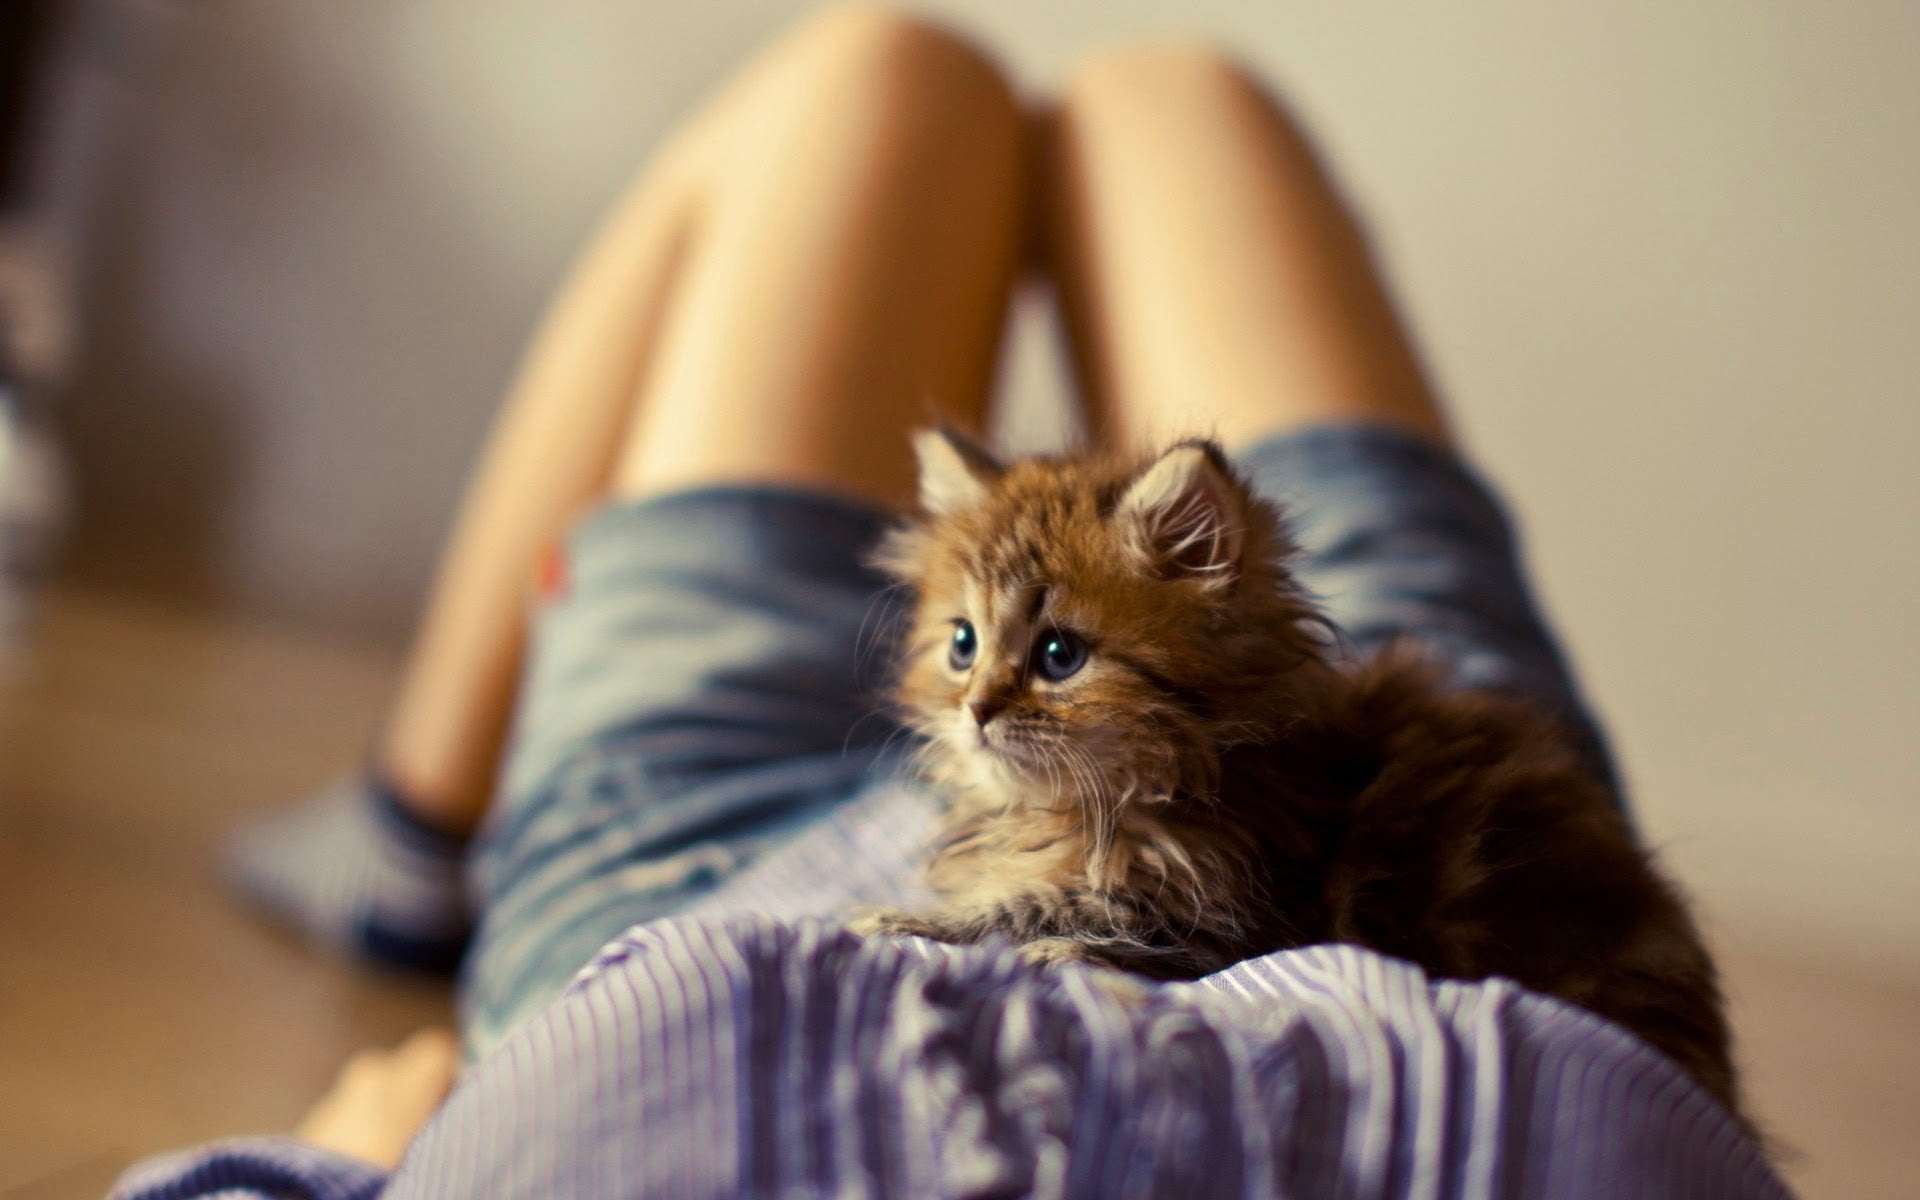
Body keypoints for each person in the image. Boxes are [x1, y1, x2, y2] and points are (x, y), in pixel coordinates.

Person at [114, 7, 1783, 1196]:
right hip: (1390, 779)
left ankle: (420, 836)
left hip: (704, 899)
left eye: (1029, 658)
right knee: (1177, 100)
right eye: (985, 652)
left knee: (870, 76)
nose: (987, 688)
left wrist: (343, 1162)